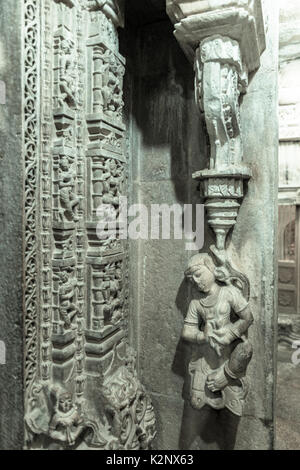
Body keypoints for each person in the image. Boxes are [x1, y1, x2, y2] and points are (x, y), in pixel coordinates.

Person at [183, 252, 253, 416]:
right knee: (196, 401)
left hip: (228, 350)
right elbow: (187, 331)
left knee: (245, 350)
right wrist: (202, 336)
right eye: (192, 279)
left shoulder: (228, 292)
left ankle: (227, 374)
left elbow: (248, 318)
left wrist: (230, 332)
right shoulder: (196, 303)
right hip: (205, 354)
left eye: (199, 275)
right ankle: (219, 378)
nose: (197, 281)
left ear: (211, 268)